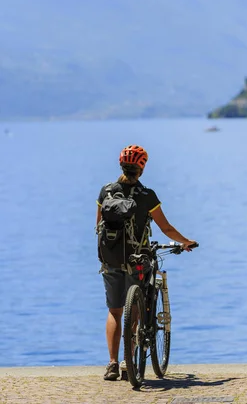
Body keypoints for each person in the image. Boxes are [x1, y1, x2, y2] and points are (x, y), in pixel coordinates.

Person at [96, 144, 197, 381]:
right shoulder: (147, 195)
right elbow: (166, 228)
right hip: (138, 259)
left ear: (121, 165)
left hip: (110, 259)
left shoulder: (106, 192)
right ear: (141, 169)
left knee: (114, 311)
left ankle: (111, 364)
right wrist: (185, 242)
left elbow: (98, 225)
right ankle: (127, 362)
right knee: (136, 310)